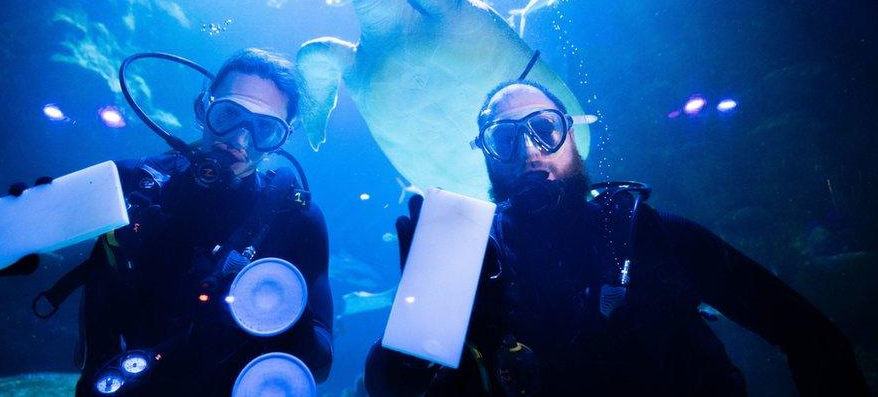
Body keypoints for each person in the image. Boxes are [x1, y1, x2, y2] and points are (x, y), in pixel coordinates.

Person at [364, 80, 867, 396]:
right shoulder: (462, 261)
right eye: (504, 138)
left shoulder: (659, 238)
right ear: (486, 155)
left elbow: (812, 336)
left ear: (573, 137)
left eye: (545, 128)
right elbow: (398, 386)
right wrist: (415, 325)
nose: (530, 151)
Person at [0, 48, 333, 395]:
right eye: (229, 114)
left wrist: (277, 307)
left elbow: (320, 363)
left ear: (283, 138)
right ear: (203, 108)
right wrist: (11, 234)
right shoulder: (126, 185)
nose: (240, 140)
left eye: (264, 129)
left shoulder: (294, 222)